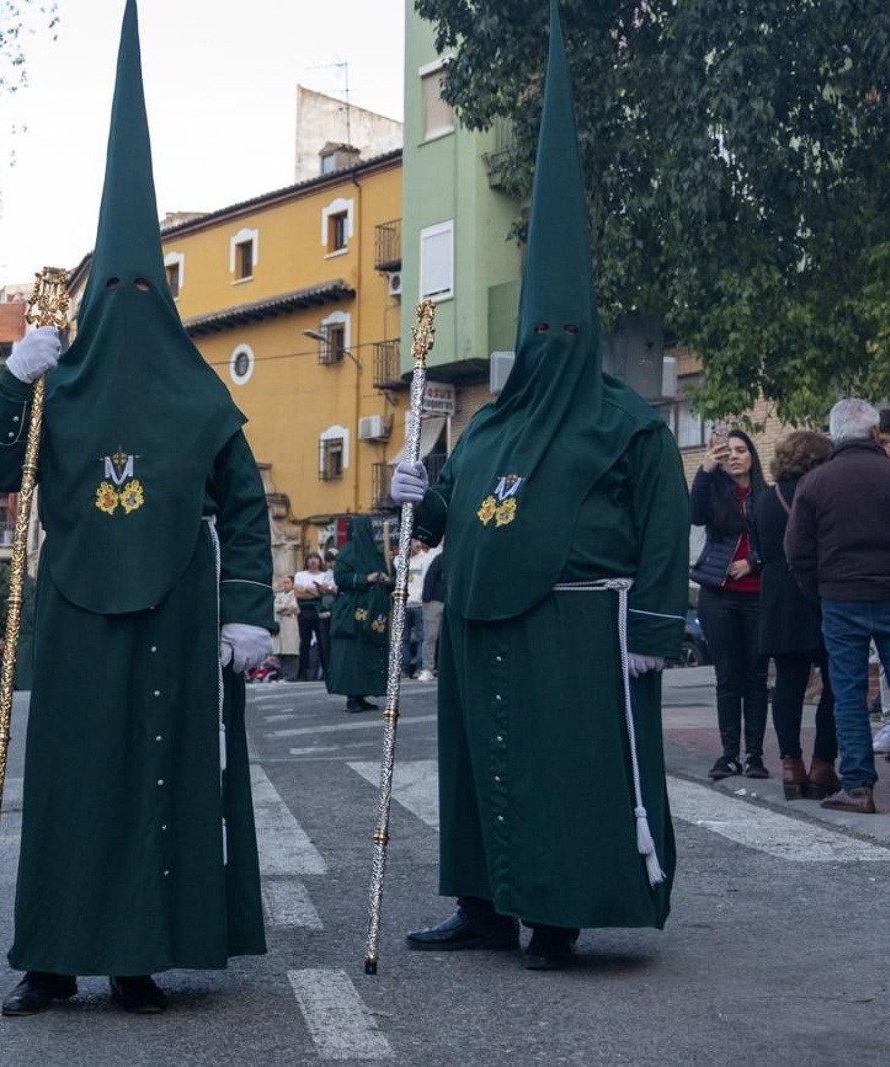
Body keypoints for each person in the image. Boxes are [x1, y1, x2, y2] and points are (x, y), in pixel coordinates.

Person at [0, 1, 272, 1016]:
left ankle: (143, 951)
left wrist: (247, 612)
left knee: (159, 777)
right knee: (69, 782)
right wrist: (14, 380)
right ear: (92, 291)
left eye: (150, 285)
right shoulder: (54, 380)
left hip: (179, 614)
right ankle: (51, 957)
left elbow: (244, 506)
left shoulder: (201, 395)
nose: (133, 298)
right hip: (72, 604)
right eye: (119, 282)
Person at [391, 0, 688, 970]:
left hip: (575, 629)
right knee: (480, 770)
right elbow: (449, 516)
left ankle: (556, 908)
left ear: (584, 333)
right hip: (477, 620)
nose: (548, 349)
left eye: (562, 333)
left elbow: (660, 525)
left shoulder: (627, 422)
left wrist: (650, 629)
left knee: (561, 775)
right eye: (540, 333)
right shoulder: (488, 425)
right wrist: (412, 489)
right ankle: (483, 902)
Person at [784, 398, 890, 815]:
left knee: (847, 692)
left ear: (834, 435)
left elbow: (796, 550)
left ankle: (859, 787)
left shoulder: (815, 483)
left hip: (841, 596)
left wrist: (818, 589)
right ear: (875, 433)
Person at [749, 432, 838, 800]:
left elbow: (757, 546)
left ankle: (791, 766)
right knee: (835, 682)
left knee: (787, 681)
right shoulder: (822, 493)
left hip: (777, 597)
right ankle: (822, 765)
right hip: (818, 589)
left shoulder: (764, 501)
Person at [690, 426, 770, 780]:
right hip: (717, 596)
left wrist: (752, 561)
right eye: (729, 451)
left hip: (757, 595)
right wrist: (706, 468)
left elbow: (781, 540)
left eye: (741, 450)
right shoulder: (715, 493)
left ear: (752, 456)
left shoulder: (767, 497)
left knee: (755, 678)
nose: (735, 455)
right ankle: (728, 755)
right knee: (727, 677)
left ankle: (754, 755)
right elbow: (694, 514)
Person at [325, 518, 391, 712]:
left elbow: (393, 576)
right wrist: (365, 579)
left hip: (375, 611)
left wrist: (388, 580)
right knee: (351, 655)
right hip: (352, 612)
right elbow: (341, 578)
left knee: (368, 654)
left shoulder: (379, 554)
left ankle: (362, 694)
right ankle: (352, 696)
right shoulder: (346, 553)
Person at [293, 552, 333, 680]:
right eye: (310, 558)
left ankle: (327, 672)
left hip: (321, 610)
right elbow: (298, 594)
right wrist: (316, 590)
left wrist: (307, 589)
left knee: (323, 641)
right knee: (304, 642)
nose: (313, 561)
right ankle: (302, 673)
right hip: (305, 611)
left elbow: (326, 593)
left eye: (315, 558)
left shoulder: (325, 575)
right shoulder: (300, 575)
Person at [404, 538, 441, 678]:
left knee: (424, 638)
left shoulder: (427, 559)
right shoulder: (398, 560)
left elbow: (429, 579)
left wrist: (424, 598)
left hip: (419, 603)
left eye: (417, 541)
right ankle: (404, 669)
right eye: (413, 542)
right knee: (404, 640)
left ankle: (421, 668)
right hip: (404, 604)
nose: (417, 544)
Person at [419, 542, 447, 680]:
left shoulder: (440, 558)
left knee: (438, 638)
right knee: (431, 636)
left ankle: (435, 668)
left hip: (445, 602)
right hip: (435, 601)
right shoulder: (440, 558)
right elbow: (430, 577)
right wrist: (426, 599)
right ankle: (427, 668)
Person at [272, 577, 301, 683]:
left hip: (290, 626)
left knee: (291, 653)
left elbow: (293, 607)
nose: (285, 584)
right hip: (280, 625)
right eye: (284, 582)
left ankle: (290, 676)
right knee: (280, 653)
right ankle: (282, 675)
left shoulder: (295, 594)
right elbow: (274, 607)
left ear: (293, 584)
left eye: (288, 582)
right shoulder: (279, 595)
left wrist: (280, 609)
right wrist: (285, 607)